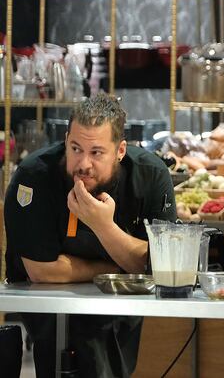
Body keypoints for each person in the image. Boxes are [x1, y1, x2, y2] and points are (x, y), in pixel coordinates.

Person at [4, 93, 177, 377]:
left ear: (120, 150)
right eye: (75, 148)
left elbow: (163, 266)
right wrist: (116, 266)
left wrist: (103, 226)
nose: (83, 163)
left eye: (96, 152)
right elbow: (41, 270)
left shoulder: (149, 176)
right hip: (49, 307)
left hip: (122, 309)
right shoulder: (34, 176)